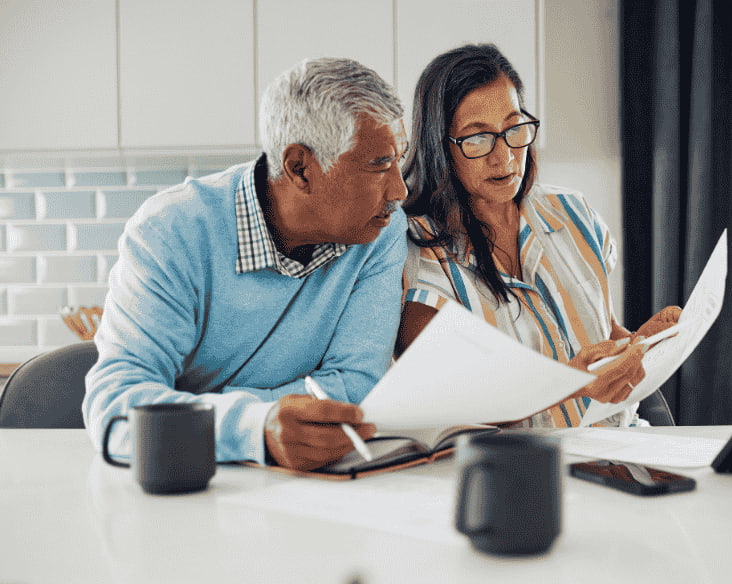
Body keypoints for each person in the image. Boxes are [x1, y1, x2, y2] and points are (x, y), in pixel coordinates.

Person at [84, 57, 408, 471]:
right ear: (300, 169)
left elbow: (356, 389)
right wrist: (256, 427)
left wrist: (202, 415)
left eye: (400, 159)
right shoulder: (171, 230)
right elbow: (117, 405)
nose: (399, 189)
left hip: (307, 487)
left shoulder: (380, 229)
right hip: (189, 484)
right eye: (379, 165)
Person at [397, 44, 681, 427]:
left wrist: (640, 345)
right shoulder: (416, 255)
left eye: (514, 128)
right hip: (522, 471)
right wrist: (572, 385)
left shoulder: (573, 212)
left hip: (624, 448)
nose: (505, 157)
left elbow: (602, 328)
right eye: (477, 139)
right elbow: (451, 400)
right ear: (439, 146)